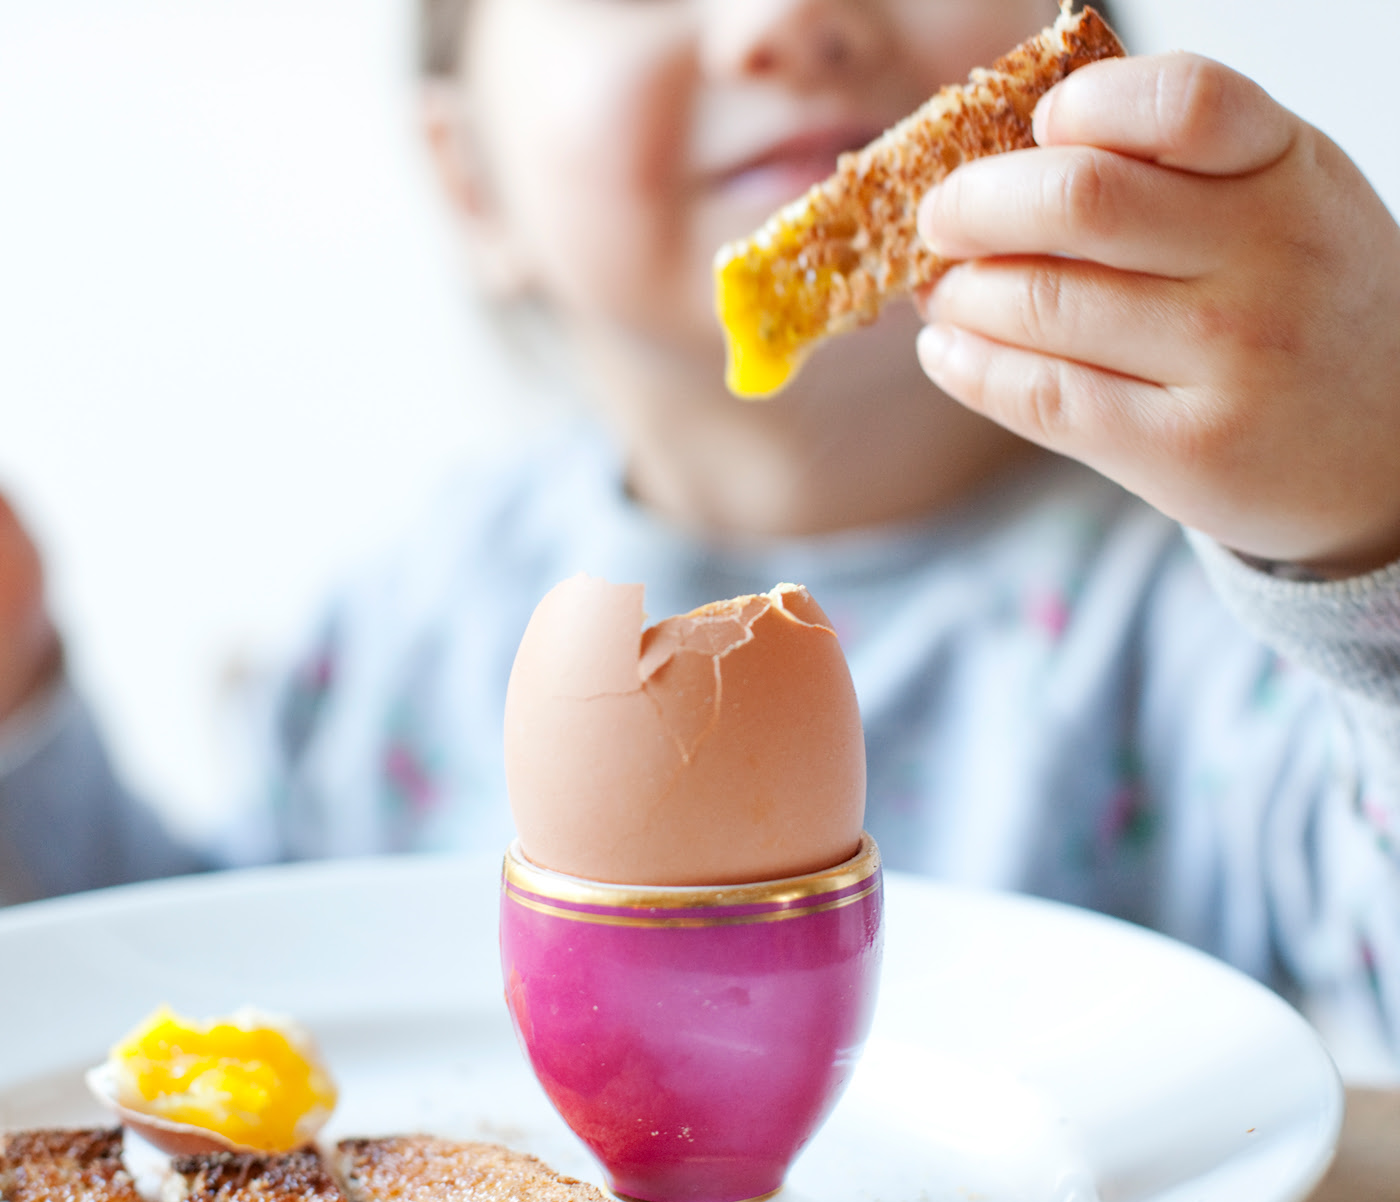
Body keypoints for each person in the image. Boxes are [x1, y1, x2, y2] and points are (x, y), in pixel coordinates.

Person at [2, 0, 1399, 1073]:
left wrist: (1362, 525)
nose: (785, 20)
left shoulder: (1226, 622)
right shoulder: (410, 622)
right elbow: (213, 1021)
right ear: (473, 182)